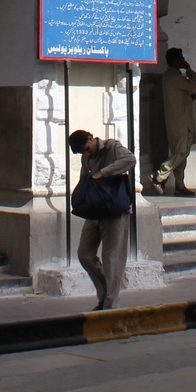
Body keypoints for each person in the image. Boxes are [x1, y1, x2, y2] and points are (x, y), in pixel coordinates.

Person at [68, 128, 135, 311]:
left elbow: (130, 160)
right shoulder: (86, 158)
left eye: (87, 149)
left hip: (115, 210)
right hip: (95, 210)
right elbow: (85, 179)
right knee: (84, 253)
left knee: (112, 258)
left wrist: (103, 173)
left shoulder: (112, 147)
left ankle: (111, 305)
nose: (86, 153)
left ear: (91, 138)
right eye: (83, 152)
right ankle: (106, 292)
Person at [151, 46, 196, 196]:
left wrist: (189, 98)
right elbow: (195, 83)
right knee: (181, 152)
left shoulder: (173, 77)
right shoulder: (173, 77)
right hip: (179, 121)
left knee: (182, 155)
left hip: (182, 119)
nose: (184, 61)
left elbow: (179, 97)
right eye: (181, 58)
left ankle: (180, 186)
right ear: (176, 60)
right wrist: (189, 69)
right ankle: (159, 175)